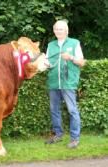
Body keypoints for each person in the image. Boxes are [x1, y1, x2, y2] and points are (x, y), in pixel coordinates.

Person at [45, 19, 86, 148]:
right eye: (56, 29)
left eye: (61, 29)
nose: (58, 31)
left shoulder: (74, 43)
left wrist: (71, 58)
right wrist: (41, 64)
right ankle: (58, 134)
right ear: (53, 31)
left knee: (72, 110)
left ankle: (75, 138)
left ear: (66, 30)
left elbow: (82, 62)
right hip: (53, 82)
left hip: (68, 83)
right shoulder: (51, 45)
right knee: (54, 110)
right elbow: (47, 63)